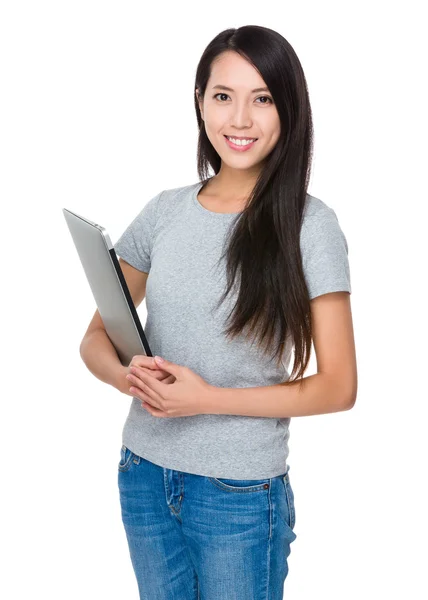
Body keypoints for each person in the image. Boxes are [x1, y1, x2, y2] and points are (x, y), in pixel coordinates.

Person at [79, 25, 357, 600]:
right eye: (223, 96)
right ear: (200, 103)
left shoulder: (310, 225)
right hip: (144, 475)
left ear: (288, 111)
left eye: (262, 99)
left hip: (239, 492)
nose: (240, 119)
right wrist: (126, 376)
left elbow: (339, 387)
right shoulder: (164, 211)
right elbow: (95, 336)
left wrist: (205, 399)